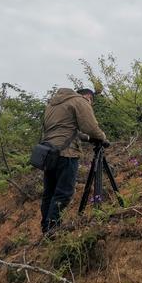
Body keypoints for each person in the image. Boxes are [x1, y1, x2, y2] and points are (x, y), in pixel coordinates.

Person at [40, 88, 107, 234]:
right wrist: (102, 137)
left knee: (49, 192)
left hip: (49, 153)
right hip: (67, 153)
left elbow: (65, 129)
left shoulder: (52, 104)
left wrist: (88, 138)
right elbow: (90, 127)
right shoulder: (79, 101)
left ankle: (46, 228)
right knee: (64, 192)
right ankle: (53, 228)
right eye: (91, 102)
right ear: (88, 96)